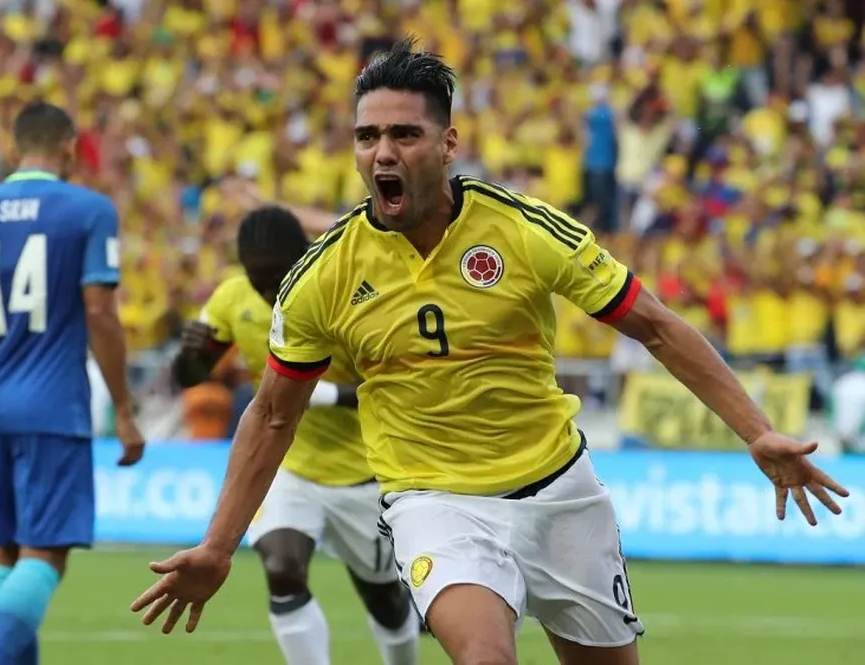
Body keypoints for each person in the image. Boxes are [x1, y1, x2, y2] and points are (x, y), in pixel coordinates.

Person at [130, 39, 848, 665]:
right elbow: (272, 414)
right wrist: (219, 545)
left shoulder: (523, 230)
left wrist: (756, 431)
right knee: (484, 655)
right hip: (433, 500)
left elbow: (655, 326)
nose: (383, 152)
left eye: (405, 134)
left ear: (448, 144)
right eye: (367, 135)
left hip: (559, 492)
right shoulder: (323, 276)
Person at [0, 101, 145, 665]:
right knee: (44, 556)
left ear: (17, 146)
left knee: (8, 555)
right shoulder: (89, 210)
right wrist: (123, 408)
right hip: (53, 406)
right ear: (68, 146)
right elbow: (100, 313)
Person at [171, 205, 418, 665]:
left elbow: (397, 385)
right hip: (288, 468)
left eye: (277, 278)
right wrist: (188, 355)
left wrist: (317, 395)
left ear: (304, 254)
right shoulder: (231, 298)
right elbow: (191, 375)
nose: (269, 293)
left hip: (367, 472)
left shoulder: (347, 290)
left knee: (384, 599)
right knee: (283, 571)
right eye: (258, 281)